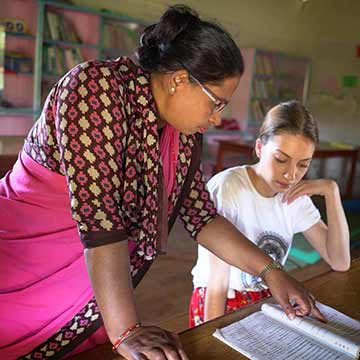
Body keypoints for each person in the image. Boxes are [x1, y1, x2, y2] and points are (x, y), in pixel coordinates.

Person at [0, 5, 325, 360]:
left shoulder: (181, 131)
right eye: (216, 103)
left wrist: (272, 272)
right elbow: (101, 223)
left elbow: (202, 217)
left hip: (91, 293)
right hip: (23, 267)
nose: (217, 118)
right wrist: (126, 330)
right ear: (178, 80)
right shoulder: (95, 89)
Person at [189, 100, 351, 327]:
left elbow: (340, 261)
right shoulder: (230, 187)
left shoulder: (295, 197)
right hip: (221, 302)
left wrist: (331, 191)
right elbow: (218, 281)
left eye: (303, 164)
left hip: (267, 301)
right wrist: (214, 335)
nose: (291, 174)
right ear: (258, 148)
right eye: (281, 160)